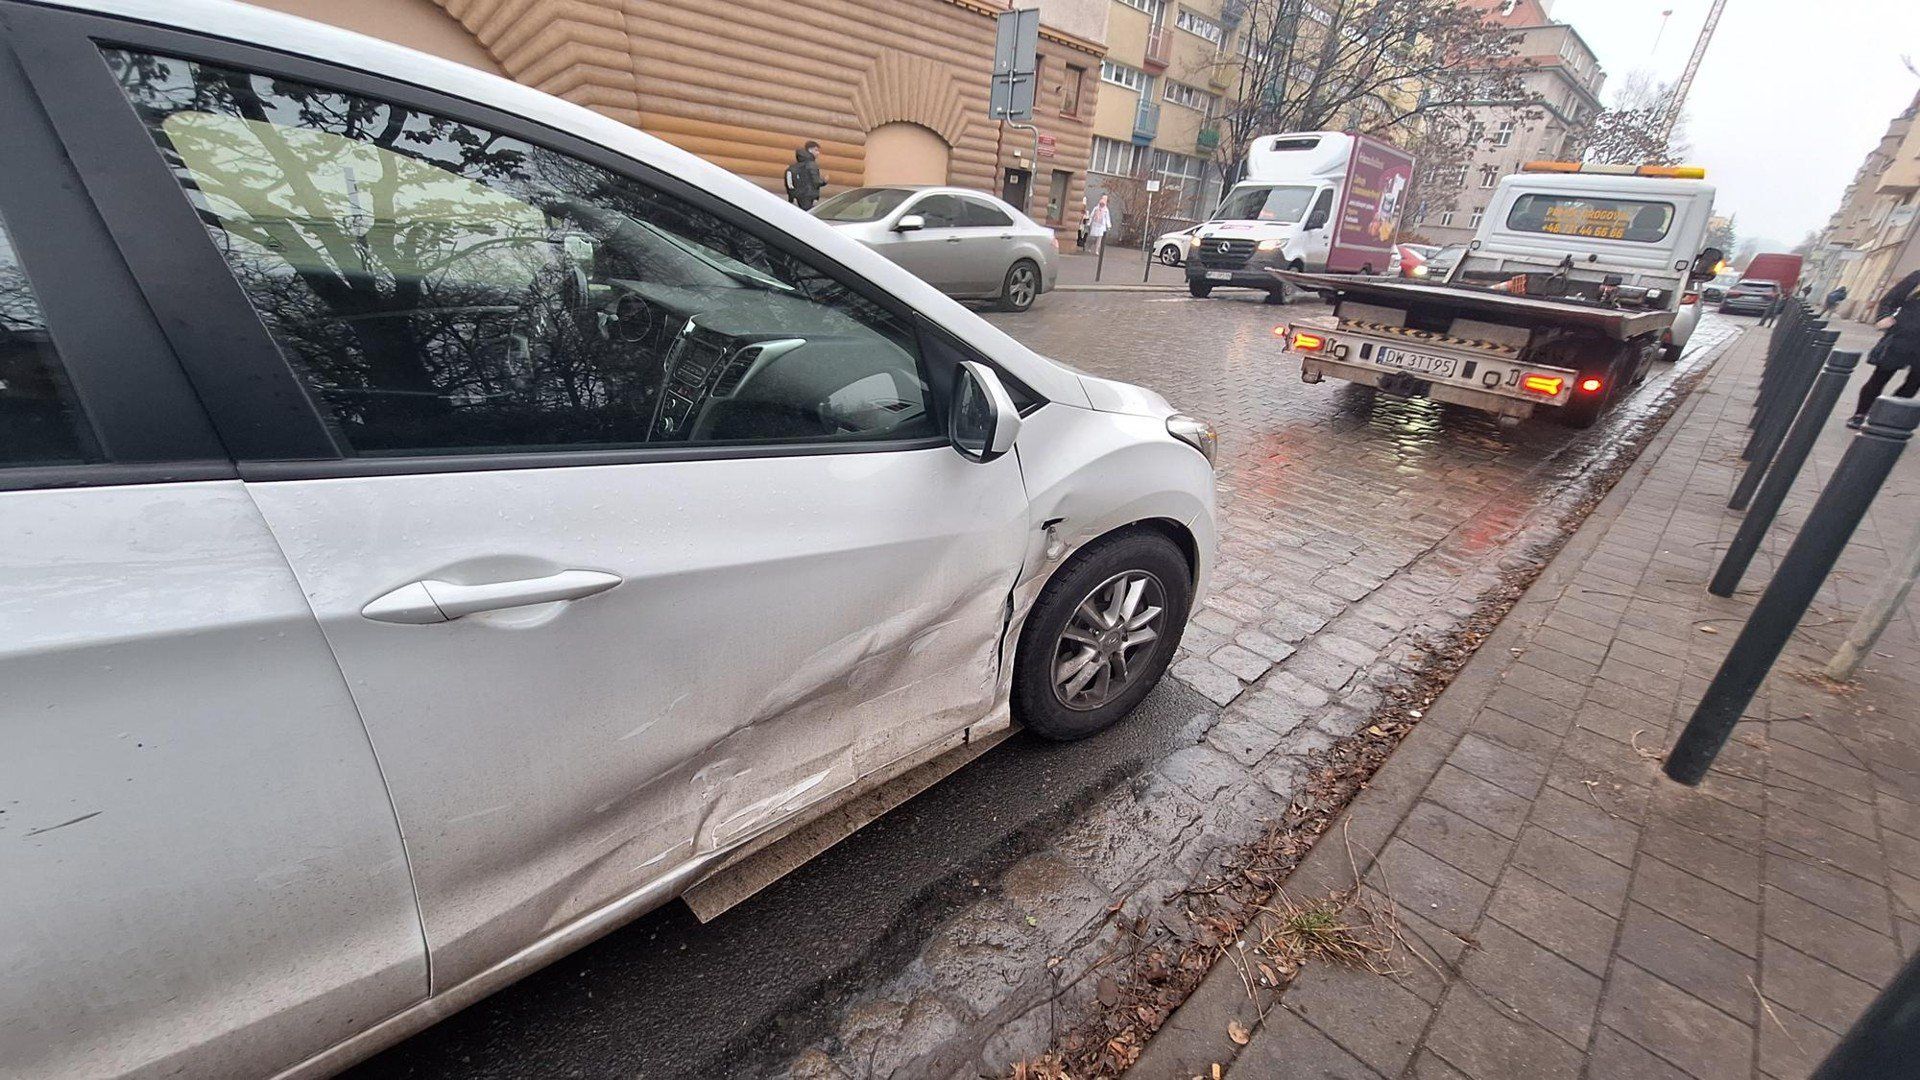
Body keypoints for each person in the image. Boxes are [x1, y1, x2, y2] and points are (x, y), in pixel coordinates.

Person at [1847, 268, 1920, 428]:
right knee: (1880, 376)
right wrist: (1883, 317)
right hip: (1902, 338)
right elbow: (1889, 300)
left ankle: (1886, 413)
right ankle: (1860, 414)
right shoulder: (1917, 277)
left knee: (1914, 383)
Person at [784, 141, 826, 211]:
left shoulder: (796, 165)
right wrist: (824, 181)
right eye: (816, 150)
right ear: (810, 150)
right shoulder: (811, 164)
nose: (818, 153)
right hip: (808, 197)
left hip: (795, 195)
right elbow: (816, 182)